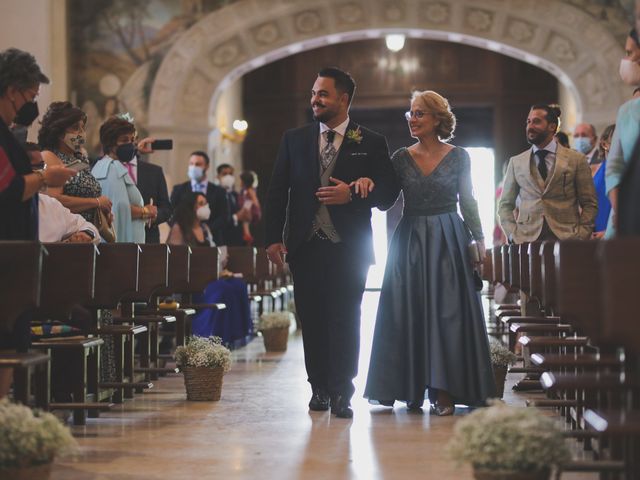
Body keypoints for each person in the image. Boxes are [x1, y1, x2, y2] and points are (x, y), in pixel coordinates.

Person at [265, 67, 398, 418]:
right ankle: (319, 388)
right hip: (305, 246)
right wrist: (271, 239)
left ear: (343, 98)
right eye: (313, 93)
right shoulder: (294, 139)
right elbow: (278, 191)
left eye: (323, 94)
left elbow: (387, 195)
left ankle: (343, 392)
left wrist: (353, 193)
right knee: (312, 318)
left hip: (349, 248)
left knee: (345, 318)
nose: (315, 100)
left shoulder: (370, 141)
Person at [363, 91, 495, 415]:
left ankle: (444, 390)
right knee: (409, 311)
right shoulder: (399, 158)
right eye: (411, 113)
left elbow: (469, 200)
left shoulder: (460, 156)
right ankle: (411, 386)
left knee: (448, 314)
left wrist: (478, 239)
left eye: (420, 113)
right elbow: (385, 200)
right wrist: (367, 182)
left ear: (437, 118)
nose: (413, 119)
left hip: (450, 237)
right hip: (409, 241)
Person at [0, 48, 76, 398]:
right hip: (7, 256)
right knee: (7, 344)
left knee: (14, 339)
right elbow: (10, 189)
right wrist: (46, 177)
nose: (25, 107)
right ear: (12, 90)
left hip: (15, 257)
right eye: (28, 97)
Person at [498, 104, 597, 244]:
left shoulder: (577, 160)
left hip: (568, 239)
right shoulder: (516, 162)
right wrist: (513, 235)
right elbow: (505, 205)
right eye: (528, 121)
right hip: (526, 240)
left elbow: (589, 203)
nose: (530, 126)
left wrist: (581, 234)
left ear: (552, 126)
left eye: (536, 121)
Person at [167, 192, 252, 347]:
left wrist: (221, 259)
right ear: (190, 207)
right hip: (190, 283)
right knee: (222, 289)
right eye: (201, 203)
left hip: (210, 278)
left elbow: (213, 253)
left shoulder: (205, 228)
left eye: (205, 203)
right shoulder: (179, 229)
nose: (205, 206)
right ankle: (204, 335)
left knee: (238, 285)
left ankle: (230, 336)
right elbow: (174, 259)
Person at [38, 101, 112, 224]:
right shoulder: (49, 156)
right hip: (67, 234)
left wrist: (101, 210)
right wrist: (96, 202)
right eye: (75, 128)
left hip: (87, 232)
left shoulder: (80, 158)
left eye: (83, 127)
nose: (81, 132)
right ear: (59, 132)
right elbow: (54, 200)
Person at [91, 116, 156, 243]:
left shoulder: (103, 166)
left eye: (132, 140)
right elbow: (119, 209)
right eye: (124, 140)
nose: (130, 145)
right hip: (124, 246)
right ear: (110, 144)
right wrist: (145, 211)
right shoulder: (113, 168)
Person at [605, 29, 640, 237]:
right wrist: (621, 209)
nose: (627, 60)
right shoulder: (627, 111)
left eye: (630, 53)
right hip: (630, 213)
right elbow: (614, 166)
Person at [170, 151, 229, 245]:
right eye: (191, 164)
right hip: (184, 239)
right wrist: (185, 229)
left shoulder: (219, 191)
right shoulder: (179, 190)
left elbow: (224, 217)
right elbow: (171, 213)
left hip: (212, 239)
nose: (194, 167)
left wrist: (205, 229)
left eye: (198, 164)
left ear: (207, 166)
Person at [126, 146, 172, 244]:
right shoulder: (110, 167)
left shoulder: (154, 171)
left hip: (148, 238)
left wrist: (154, 215)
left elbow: (166, 209)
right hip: (117, 236)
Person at [217, 163, 250, 246]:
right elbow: (217, 220)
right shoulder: (214, 194)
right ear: (218, 176)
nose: (228, 176)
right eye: (224, 174)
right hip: (222, 240)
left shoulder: (236, 195)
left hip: (237, 241)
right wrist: (236, 217)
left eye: (230, 174)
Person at [592, 124, 615, 238]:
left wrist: (609, 232)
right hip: (594, 233)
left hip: (617, 232)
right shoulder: (593, 170)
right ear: (604, 144)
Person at [238, 170, 262, 245]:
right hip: (246, 212)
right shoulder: (243, 191)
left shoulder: (250, 190)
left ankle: (247, 235)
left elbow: (256, 204)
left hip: (251, 213)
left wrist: (248, 207)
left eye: (241, 180)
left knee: (246, 222)